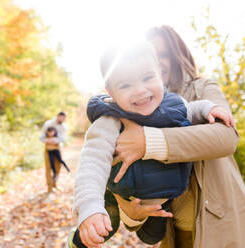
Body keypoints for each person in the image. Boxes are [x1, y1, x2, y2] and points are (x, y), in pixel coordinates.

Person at [112, 25, 245, 248]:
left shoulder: (202, 88)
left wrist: (149, 142)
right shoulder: (135, 109)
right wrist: (130, 212)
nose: (155, 62)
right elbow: (125, 174)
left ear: (177, 56)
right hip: (174, 236)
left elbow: (226, 137)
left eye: (162, 55)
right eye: (149, 55)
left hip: (222, 232)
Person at [67, 41, 234, 248]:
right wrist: (89, 207)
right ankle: (78, 240)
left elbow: (190, 110)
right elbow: (92, 163)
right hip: (126, 193)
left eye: (147, 78)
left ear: (160, 75)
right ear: (110, 92)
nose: (140, 90)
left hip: (165, 196)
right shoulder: (109, 121)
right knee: (101, 225)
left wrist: (208, 109)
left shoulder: (175, 104)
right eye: (125, 85)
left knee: (154, 236)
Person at [40, 111, 67, 191]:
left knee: (58, 166)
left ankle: (54, 184)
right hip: (48, 147)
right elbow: (41, 136)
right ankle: (49, 187)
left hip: (58, 147)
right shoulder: (48, 124)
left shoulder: (64, 127)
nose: (62, 119)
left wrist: (54, 140)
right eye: (61, 117)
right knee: (48, 167)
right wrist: (48, 140)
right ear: (58, 116)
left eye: (64, 118)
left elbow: (63, 138)